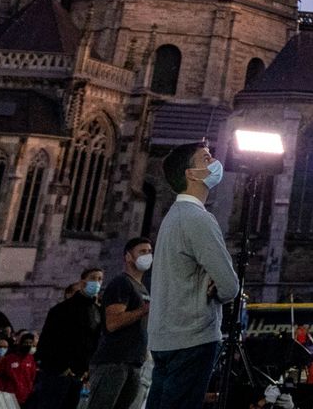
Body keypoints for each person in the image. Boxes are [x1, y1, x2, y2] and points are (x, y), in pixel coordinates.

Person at [146, 143, 240, 409]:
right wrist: (216, 290)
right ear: (192, 174)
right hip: (192, 336)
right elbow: (230, 285)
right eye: (206, 158)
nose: (215, 162)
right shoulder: (198, 218)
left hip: (166, 337)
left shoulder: (173, 216)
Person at [89, 238, 154, 409]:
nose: (147, 255)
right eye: (142, 251)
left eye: (149, 252)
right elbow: (113, 323)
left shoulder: (142, 288)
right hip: (114, 362)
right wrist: (144, 310)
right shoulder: (122, 283)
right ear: (128, 256)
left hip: (134, 362)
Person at [29, 270, 104, 409]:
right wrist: (61, 367)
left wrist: (87, 368)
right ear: (83, 282)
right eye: (93, 278)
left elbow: (93, 341)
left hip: (79, 375)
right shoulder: (63, 309)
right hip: (58, 373)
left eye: (100, 279)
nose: (97, 282)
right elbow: (49, 340)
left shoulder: (97, 311)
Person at [0, 331, 38, 401]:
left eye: (30, 343)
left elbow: (33, 377)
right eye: (25, 343)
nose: (28, 345)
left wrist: (30, 390)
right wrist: (4, 389)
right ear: (20, 343)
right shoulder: (9, 359)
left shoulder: (31, 359)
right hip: (10, 398)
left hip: (26, 398)